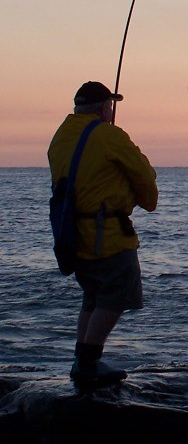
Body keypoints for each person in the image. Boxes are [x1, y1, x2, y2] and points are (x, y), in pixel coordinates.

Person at [47, 81, 158, 388]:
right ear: (101, 107)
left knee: (93, 297)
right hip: (106, 236)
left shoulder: (61, 136)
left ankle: (81, 360)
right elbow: (144, 175)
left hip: (73, 237)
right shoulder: (109, 135)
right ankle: (88, 360)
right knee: (116, 295)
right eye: (110, 105)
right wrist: (145, 199)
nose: (111, 110)